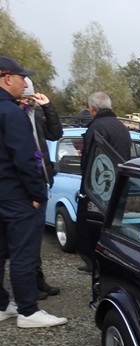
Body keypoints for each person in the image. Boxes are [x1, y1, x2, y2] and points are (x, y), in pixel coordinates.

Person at [0, 56, 66, 328]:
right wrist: (38, 194)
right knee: (23, 254)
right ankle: (28, 310)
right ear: (7, 78)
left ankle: (1, 305)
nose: (25, 82)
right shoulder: (11, 112)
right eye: (21, 77)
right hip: (18, 195)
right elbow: (26, 158)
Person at [77, 92, 131, 272]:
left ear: (92, 109)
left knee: (92, 225)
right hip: (119, 183)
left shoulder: (97, 127)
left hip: (100, 187)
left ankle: (94, 262)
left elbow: (92, 159)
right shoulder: (121, 126)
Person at [19, 77, 62, 299]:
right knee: (22, 240)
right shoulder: (11, 116)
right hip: (20, 186)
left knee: (35, 237)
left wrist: (48, 107)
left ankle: (37, 279)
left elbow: (56, 133)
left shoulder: (35, 115)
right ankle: (26, 287)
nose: (27, 101)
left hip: (39, 181)